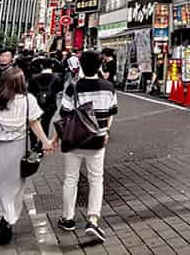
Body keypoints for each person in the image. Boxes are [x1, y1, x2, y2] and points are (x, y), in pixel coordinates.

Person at [0, 67, 54, 246]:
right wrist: (46, 142)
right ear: (22, 83)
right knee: (12, 188)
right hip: (16, 151)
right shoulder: (29, 101)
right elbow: (35, 124)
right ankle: (7, 222)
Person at [54, 50, 117, 243]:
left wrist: (54, 139)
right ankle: (92, 219)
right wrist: (105, 131)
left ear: (80, 64)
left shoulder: (73, 86)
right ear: (99, 66)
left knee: (70, 178)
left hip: (74, 139)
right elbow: (112, 111)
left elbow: (64, 113)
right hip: (97, 139)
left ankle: (68, 218)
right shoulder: (108, 86)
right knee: (96, 179)